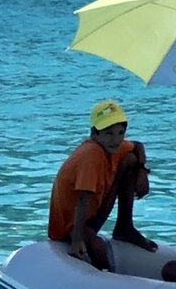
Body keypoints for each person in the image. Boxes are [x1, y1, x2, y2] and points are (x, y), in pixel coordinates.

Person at [48, 100, 156, 272]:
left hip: (92, 213)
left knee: (131, 160)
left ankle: (124, 226)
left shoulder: (114, 146)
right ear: (94, 134)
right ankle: (106, 280)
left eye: (120, 132)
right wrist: (77, 239)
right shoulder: (92, 154)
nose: (116, 139)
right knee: (99, 249)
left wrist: (142, 171)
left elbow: (137, 146)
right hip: (72, 224)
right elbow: (83, 197)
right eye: (109, 133)